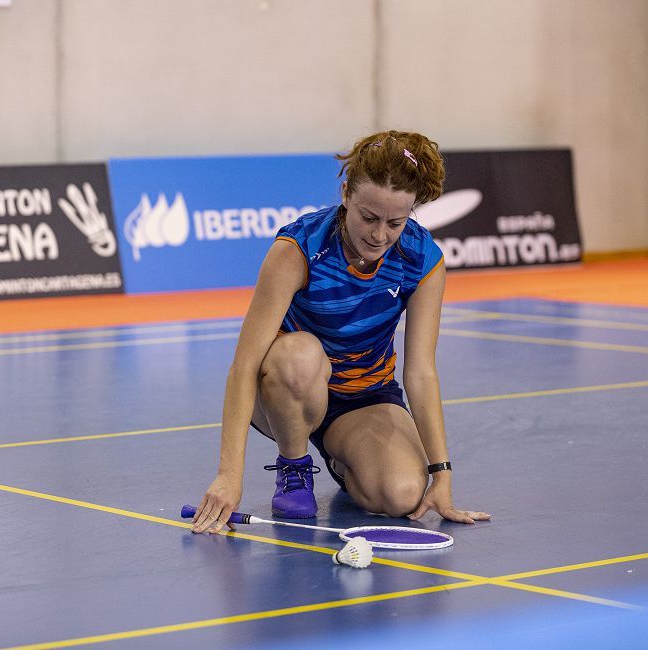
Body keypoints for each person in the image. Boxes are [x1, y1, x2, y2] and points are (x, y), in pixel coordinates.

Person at [192, 130, 490, 534]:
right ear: (347, 193)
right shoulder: (298, 249)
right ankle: (294, 463)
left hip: (363, 396)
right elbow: (244, 365)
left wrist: (442, 475)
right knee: (299, 357)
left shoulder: (423, 260)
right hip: (287, 385)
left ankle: (340, 455)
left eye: (395, 223)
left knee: (402, 496)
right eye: (368, 217)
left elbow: (420, 372)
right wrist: (229, 474)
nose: (379, 235)